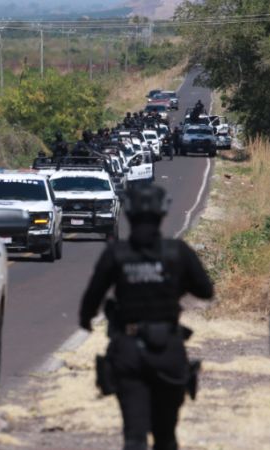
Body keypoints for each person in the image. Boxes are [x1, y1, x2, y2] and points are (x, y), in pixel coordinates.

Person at [79, 184, 214, 450]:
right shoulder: (177, 252)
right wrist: (173, 286)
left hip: (128, 351)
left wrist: (86, 319)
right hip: (168, 349)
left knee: (134, 435)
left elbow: (91, 299)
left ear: (128, 214)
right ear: (163, 213)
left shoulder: (116, 253)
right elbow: (206, 290)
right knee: (165, 436)